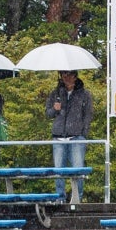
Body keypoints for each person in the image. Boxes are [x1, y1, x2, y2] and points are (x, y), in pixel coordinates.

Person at [46, 69, 93, 203]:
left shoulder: (84, 94)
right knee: (58, 171)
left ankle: (76, 198)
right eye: (63, 74)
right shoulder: (55, 93)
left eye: (69, 74)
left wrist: (83, 134)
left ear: (75, 76)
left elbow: (88, 115)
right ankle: (60, 198)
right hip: (58, 136)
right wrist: (55, 109)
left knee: (77, 170)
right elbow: (48, 114)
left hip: (77, 137)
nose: (66, 77)